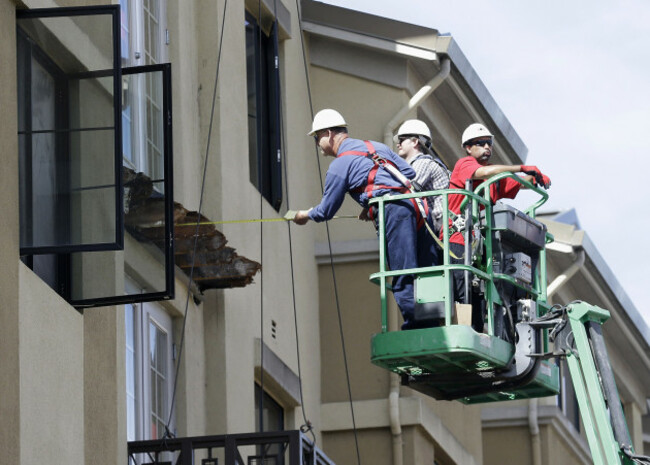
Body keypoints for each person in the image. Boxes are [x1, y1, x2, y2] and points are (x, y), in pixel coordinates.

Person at [293, 109, 438, 329]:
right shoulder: (376, 147)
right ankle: (436, 321)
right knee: (426, 268)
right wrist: (373, 197)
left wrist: (304, 215)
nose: (317, 143)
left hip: (393, 211)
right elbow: (408, 173)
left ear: (329, 133)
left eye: (317, 137)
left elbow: (325, 211)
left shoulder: (340, 165)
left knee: (402, 269)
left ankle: (416, 326)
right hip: (415, 207)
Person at [447, 122, 551, 331]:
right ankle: (463, 328)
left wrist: (534, 178)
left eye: (489, 143)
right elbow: (484, 172)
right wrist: (520, 167)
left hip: (479, 244)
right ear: (468, 147)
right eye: (481, 143)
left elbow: (515, 182)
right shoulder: (465, 165)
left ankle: (484, 329)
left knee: (483, 287)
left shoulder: (493, 179)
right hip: (457, 239)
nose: (487, 147)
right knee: (462, 282)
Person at [394, 119, 450, 234]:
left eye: (401, 140)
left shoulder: (422, 163)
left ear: (415, 142)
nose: (398, 144)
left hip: (443, 226)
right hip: (440, 226)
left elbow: (404, 191)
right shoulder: (420, 163)